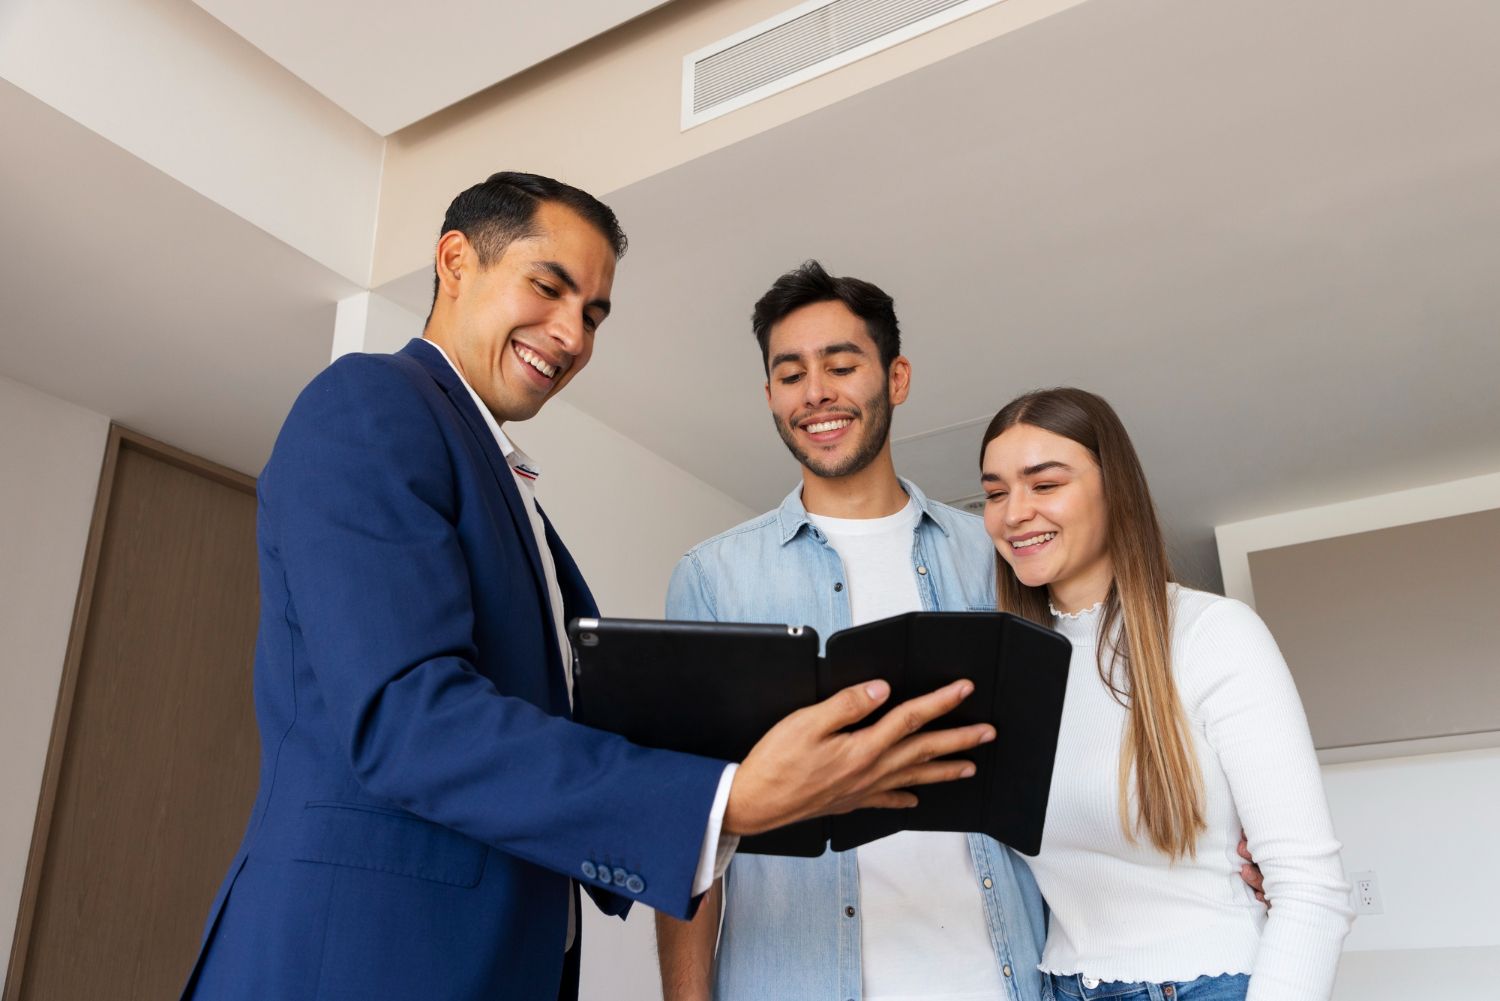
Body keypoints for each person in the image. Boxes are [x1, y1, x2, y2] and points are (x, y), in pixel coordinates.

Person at [178, 174, 996, 1001]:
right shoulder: (369, 404)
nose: (570, 334)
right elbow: (408, 716)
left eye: (594, 314)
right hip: (359, 959)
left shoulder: (512, 489)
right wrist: (730, 796)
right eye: (549, 286)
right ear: (455, 261)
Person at [657, 261, 1049, 1001]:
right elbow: (688, 822)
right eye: (791, 373)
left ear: (895, 378)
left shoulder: (996, 552)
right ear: (770, 394)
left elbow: (1075, 756)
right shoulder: (713, 577)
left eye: (841, 365)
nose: (816, 393)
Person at [977, 387, 1353, 1001]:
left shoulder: (1212, 634)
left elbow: (1312, 888)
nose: (1013, 513)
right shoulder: (1002, 667)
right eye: (994, 493)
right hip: (1058, 985)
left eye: (1045, 484)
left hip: (1204, 985)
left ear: (1113, 490)